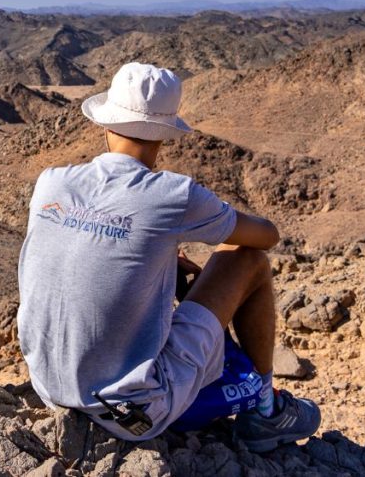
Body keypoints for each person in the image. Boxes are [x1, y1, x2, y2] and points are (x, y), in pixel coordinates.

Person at [17, 62, 320, 451]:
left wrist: (158, 256)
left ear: (106, 122)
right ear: (165, 134)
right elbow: (266, 236)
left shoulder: (51, 181)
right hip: (134, 414)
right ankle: (264, 412)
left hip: (50, 388)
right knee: (246, 260)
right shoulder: (172, 194)